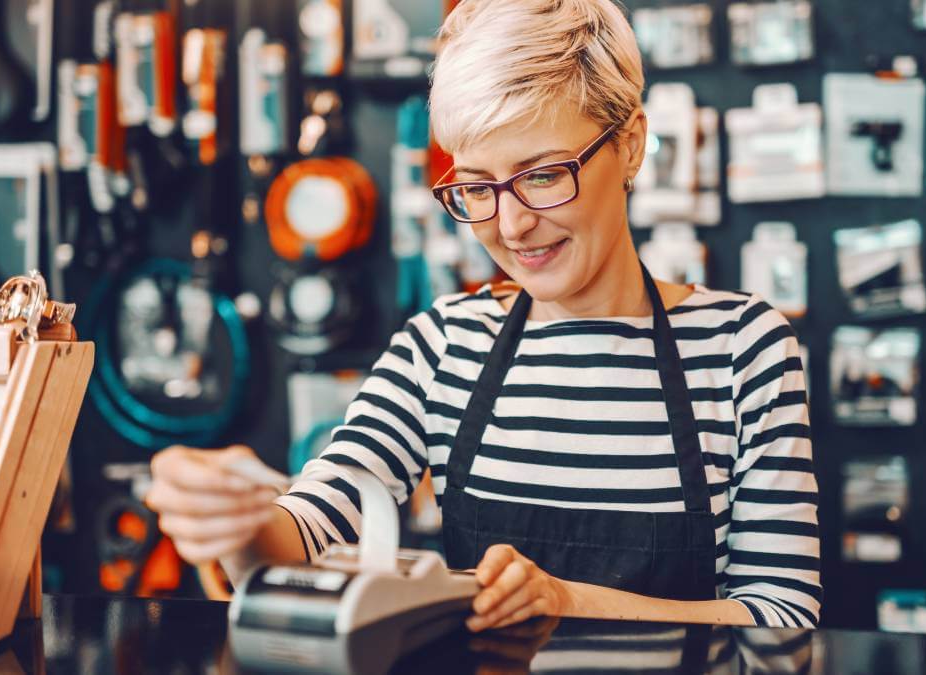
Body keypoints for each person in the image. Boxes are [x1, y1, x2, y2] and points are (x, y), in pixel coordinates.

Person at [146, 0, 820, 632]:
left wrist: (566, 600)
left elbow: (784, 614)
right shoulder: (442, 345)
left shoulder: (743, 349)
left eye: (544, 174)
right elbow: (313, 526)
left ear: (632, 144)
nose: (512, 224)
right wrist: (235, 524)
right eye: (476, 186)